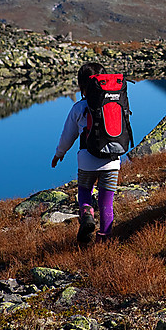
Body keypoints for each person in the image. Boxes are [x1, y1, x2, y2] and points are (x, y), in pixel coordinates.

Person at [52, 62, 120, 244]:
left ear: (81, 85)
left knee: (84, 191)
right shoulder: (116, 103)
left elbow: (68, 135)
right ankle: (104, 240)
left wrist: (59, 153)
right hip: (113, 160)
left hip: (87, 160)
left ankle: (87, 212)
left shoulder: (78, 107)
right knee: (107, 202)